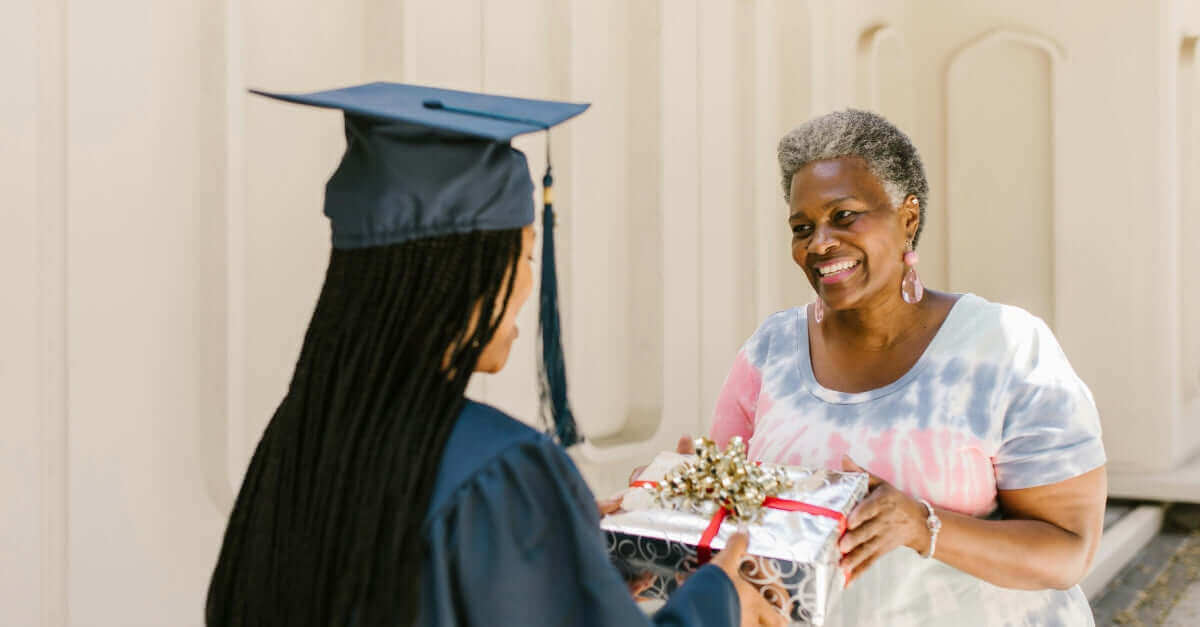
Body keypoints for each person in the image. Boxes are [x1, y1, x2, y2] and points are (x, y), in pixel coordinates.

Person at [205, 82, 783, 627]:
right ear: (467, 272)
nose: (529, 287)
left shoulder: (300, 441)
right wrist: (720, 600)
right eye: (526, 255)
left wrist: (570, 565)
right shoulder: (500, 471)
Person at [707, 109, 1107, 626]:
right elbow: (724, 526)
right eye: (802, 227)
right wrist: (672, 501)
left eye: (844, 216)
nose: (819, 242)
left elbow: (1066, 551)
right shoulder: (771, 351)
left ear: (908, 218)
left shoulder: (1005, 349)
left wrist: (922, 526)